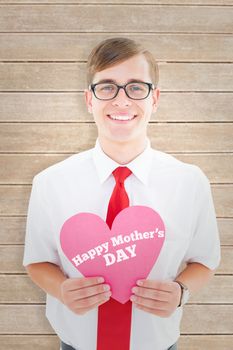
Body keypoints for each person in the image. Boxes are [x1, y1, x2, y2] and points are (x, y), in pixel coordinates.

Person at [23, 37, 221, 350]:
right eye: (107, 87)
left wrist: (181, 291)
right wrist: (62, 290)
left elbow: (205, 260)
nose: (121, 100)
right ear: (89, 100)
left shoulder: (190, 181)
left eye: (136, 87)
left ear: (154, 99)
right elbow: (37, 261)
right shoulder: (50, 182)